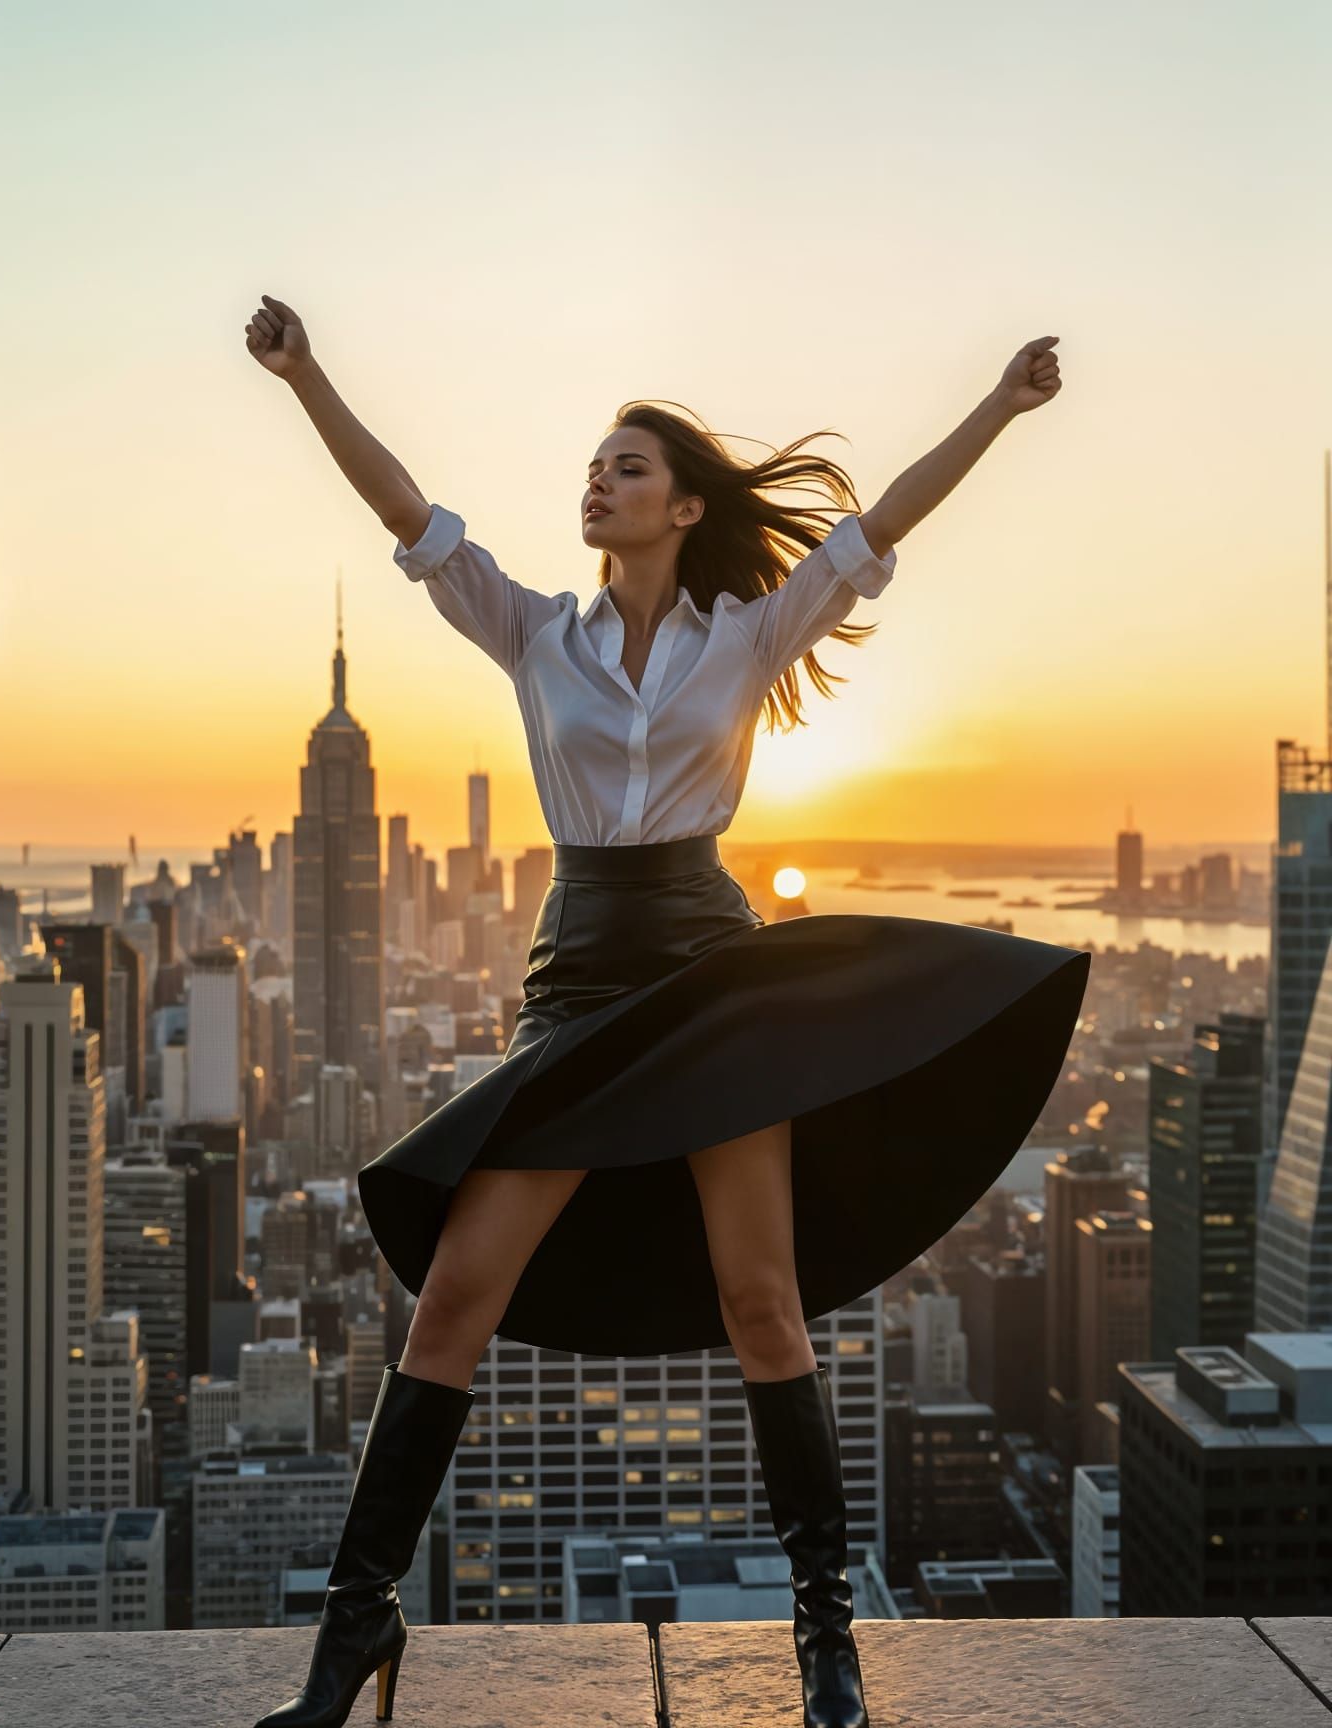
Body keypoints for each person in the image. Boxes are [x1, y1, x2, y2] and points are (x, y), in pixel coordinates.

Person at [244, 294, 1086, 1728]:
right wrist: (304, 371)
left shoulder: (746, 636)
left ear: (686, 507)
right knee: (454, 1295)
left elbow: (880, 524)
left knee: (764, 1302)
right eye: (593, 464)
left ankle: (827, 1637)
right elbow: (406, 509)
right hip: (576, 973)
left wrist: (1004, 405)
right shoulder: (533, 634)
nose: (599, 480)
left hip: (711, 975)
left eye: (628, 467)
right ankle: (354, 1631)